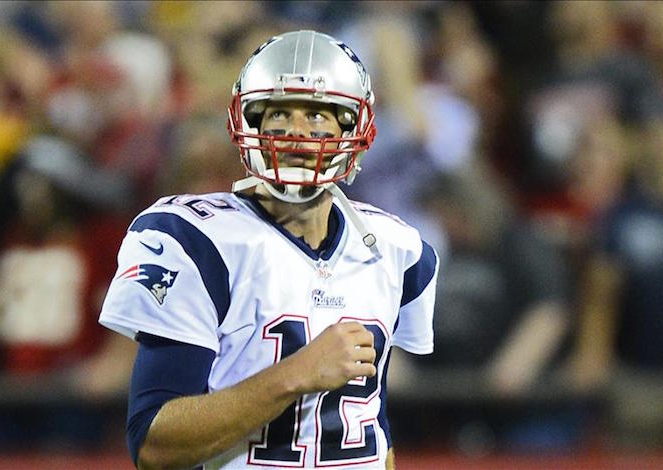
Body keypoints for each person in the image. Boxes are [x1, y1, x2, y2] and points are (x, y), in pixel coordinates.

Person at [98, 30, 438, 469]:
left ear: (354, 128)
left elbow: (371, 423)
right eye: (278, 111)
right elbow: (154, 445)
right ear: (248, 122)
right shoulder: (195, 241)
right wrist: (296, 374)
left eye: (318, 115)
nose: (296, 131)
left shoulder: (396, 249)